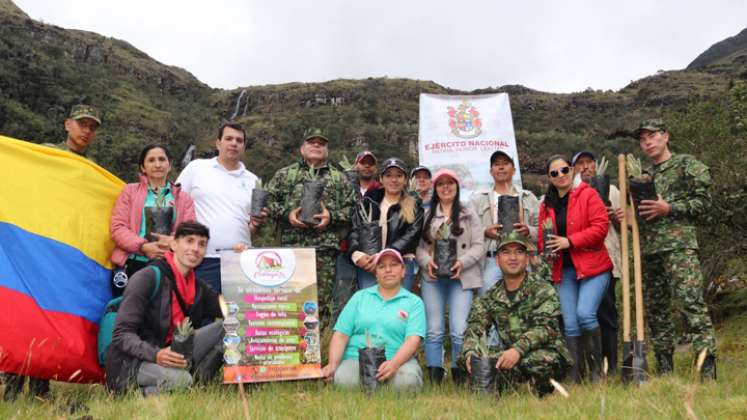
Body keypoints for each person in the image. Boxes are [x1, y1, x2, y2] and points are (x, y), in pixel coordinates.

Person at [4, 103, 104, 401]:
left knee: (51, 315)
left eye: (92, 127)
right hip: (34, 244)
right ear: (67, 124)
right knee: (27, 314)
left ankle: (39, 387)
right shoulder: (45, 155)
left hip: (65, 254)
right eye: (82, 124)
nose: (86, 131)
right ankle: (11, 384)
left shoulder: (92, 171)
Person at [628, 118, 717, 380]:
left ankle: (707, 368)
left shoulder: (687, 165)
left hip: (680, 248)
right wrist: (626, 217)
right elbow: (640, 220)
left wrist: (670, 208)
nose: (647, 141)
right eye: (642, 138)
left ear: (665, 136)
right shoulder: (641, 177)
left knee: (691, 305)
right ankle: (665, 367)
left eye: (652, 135)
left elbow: (703, 203)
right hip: (650, 251)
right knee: (656, 311)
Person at [105, 221, 224, 396]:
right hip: (135, 361)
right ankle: (132, 394)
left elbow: (231, 308)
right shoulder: (147, 278)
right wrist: (156, 354)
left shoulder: (198, 287)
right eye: (189, 241)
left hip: (173, 353)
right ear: (174, 245)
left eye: (202, 244)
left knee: (228, 327)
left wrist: (238, 262)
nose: (195, 248)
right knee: (181, 381)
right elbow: (121, 335)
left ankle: (198, 385)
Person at [259, 128, 355, 324]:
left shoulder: (339, 178)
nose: (317, 145)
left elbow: (352, 209)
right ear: (302, 148)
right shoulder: (286, 174)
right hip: (291, 249)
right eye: (312, 142)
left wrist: (332, 216)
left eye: (321, 143)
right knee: (291, 302)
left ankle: (319, 350)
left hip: (325, 252)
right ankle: (292, 350)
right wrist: (287, 214)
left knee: (321, 305)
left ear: (327, 151)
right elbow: (267, 201)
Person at [461, 231, 571, 396]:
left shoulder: (542, 289)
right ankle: (504, 387)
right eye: (506, 252)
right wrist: (470, 353)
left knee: (538, 361)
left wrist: (518, 350)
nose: (513, 258)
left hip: (546, 352)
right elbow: (473, 328)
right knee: (479, 360)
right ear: (497, 260)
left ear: (526, 259)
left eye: (519, 252)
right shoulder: (490, 296)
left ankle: (542, 389)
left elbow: (546, 328)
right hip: (510, 356)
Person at [538, 155, 611, 384]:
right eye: (554, 173)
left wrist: (570, 241)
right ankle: (574, 375)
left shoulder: (588, 194)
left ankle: (597, 372)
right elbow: (543, 238)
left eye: (564, 170)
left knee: (585, 314)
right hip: (564, 271)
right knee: (569, 323)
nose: (560, 175)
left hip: (593, 268)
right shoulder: (546, 205)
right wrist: (545, 249)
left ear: (572, 170)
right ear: (549, 178)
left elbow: (601, 228)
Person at [321, 248, 426, 390]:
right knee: (343, 379)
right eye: (382, 266)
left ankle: (381, 385)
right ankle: (378, 387)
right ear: (376, 274)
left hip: (397, 359)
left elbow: (413, 340)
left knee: (408, 381)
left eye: (394, 265)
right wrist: (333, 364)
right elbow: (341, 334)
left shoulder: (414, 302)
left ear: (403, 271)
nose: (388, 270)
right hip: (356, 359)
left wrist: (394, 364)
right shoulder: (359, 297)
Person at [416, 169, 484, 384]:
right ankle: (434, 375)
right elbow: (418, 247)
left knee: (458, 329)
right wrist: (428, 263)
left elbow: (479, 245)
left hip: (461, 278)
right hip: (433, 279)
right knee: (434, 329)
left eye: (450, 183)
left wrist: (462, 262)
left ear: (457, 186)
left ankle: (459, 373)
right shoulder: (426, 214)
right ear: (435, 189)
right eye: (441, 184)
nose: (446, 187)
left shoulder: (469, 212)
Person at [176, 122, 258, 294]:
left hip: (241, 260)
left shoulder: (254, 180)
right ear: (218, 143)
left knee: (238, 317)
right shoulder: (196, 167)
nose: (234, 143)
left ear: (243, 146)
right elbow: (175, 203)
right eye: (228, 138)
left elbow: (251, 225)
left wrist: (257, 223)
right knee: (201, 317)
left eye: (239, 140)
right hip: (202, 258)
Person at [109, 144, 196, 295]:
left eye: (162, 160)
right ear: (143, 167)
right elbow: (118, 228)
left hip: (168, 265)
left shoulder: (184, 199)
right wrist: (143, 247)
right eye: (151, 160)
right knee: (129, 314)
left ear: (169, 165)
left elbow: (189, 232)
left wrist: (172, 242)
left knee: (163, 314)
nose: (157, 164)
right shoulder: (130, 192)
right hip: (132, 263)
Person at [572, 150, 622, 374]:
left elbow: (625, 227)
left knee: (606, 313)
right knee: (582, 315)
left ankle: (610, 364)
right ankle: (589, 365)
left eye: (589, 163)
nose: (585, 167)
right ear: (574, 169)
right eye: (580, 164)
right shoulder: (571, 192)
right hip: (580, 263)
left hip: (608, 260)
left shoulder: (611, 190)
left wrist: (614, 217)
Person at [469, 150, 539, 295]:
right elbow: (467, 231)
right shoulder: (477, 199)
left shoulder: (528, 197)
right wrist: (485, 231)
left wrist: (528, 230)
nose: (501, 167)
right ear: (491, 171)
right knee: (489, 304)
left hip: (522, 259)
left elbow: (542, 229)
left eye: (505, 164)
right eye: (496, 164)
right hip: (491, 259)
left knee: (524, 304)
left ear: (513, 170)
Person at [349, 158, 423, 291]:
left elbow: (412, 235)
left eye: (399, 176)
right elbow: (354, 228)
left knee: (398, 308)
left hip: (400, 264)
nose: (393, 180)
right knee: (370, 307)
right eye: (388, 175)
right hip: (370, 264)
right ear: (381, 179)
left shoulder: (414, 204)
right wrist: (356, 253)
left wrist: (384, 254)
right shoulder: (368, 201)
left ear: (405, 180)